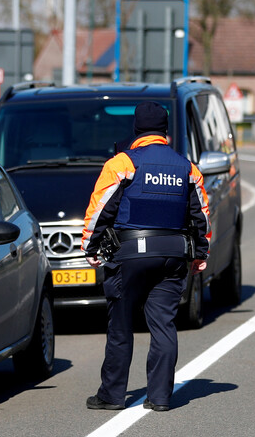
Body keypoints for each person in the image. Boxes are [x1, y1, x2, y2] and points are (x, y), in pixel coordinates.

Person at [81, 101, 211, 412]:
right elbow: (202, 215)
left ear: (137, 129)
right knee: (163, 325)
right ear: (165, 130)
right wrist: (201, 253)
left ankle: (112, 396)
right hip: (174, 256)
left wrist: (90, 247)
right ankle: (161, 397)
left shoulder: (122, 163)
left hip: (131, 256)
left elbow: (100, 210)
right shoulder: (187, 167)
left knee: (121, 326)